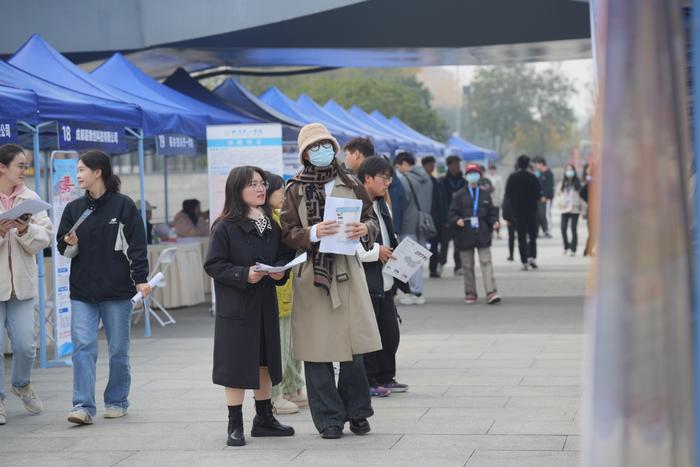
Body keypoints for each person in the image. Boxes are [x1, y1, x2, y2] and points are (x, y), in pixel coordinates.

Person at [280, 123, 381, 440]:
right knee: (317, 350)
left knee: (354, 347)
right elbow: (286, 233)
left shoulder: (351, 181)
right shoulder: (294, 188)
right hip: (313, 274)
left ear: (334, 148)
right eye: (313, 147)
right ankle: (328, 419)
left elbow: (371, 217)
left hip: (348, 270)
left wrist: (365, 230)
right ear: (304, 154)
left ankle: (358, 412)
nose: (320, 151)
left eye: (324, 145)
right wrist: (312, 233)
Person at [57, 150, 151, 425]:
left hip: (117, 290)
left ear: (98, 171)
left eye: (82, 170)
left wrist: (140, 278)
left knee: (118, 349)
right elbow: (64, 248)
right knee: (83, 346)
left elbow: (137, 246)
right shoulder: (74, 209)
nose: (78, 175)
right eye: (77, 171)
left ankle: (117, 399)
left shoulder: (124, 206)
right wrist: (70, 241)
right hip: (83, 290)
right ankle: (83, 405)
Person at [204, 166, 295, 447]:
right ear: (237, 190)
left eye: (262, 183)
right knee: (236, 365)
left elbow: (283, 255)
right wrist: (244, 275)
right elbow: (213, 265)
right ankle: (235, 423)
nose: (260, 189)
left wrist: (281, 271)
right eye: (253, 184)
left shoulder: (271, 223)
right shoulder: (225, 226)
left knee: (264, 361)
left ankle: (264, 418)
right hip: (237, 307)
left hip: (265, 303)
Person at [0, 144, 52, 425]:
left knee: (25, 346)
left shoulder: (31, 198)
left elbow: (45, 237)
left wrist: (24, 229)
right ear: (2, 167)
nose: (24, 170)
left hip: (22, 286)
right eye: (20, 165)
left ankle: (21, 383)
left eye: (26, 165)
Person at [356, 157, 410, 398]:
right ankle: (368, 380)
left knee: (389, 331)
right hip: (368, 279)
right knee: (371, 333)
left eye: (389, 178)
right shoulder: (356, 204)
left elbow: (391, 234)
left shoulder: (382, 204)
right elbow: (350, 244)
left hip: (387, 278)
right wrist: (374, 252)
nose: (388, 183)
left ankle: (387, 376)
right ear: (367, 178)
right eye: (384, 178)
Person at [265, 173, 307, 415]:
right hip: (276, 292)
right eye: (279, 190)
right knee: (279, 348)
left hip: (290, 291)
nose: (283, 195)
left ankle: (293, 388)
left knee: (293, 347)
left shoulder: (281, 217)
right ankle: (275, 395)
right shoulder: (266, 220)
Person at [448, 164, 501, 305]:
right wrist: (457, 220)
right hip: (465, 234)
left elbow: (491, 212)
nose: (473, 176)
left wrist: (495, 221)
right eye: (470, 173)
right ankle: (470, 292)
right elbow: (452, 213)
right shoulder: (459, 195)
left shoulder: (484, 194)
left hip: (482, 233)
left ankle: (491, 292)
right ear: (466, 176)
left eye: (475, 173)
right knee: (467, 265)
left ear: (480, 176)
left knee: (486, 262)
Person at [394, 152, 433, 305]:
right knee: (418, 258)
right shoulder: (427, 179)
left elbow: (403, 203)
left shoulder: (405, 180)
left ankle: (415, 292)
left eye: (398, 166)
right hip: (423, 222)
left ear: (404, 163)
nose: (398, 169)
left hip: (407, 223)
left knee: (410, 259)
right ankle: (417, 290)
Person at [505, 155, 542, 271]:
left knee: (521, 236)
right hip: (531, 211)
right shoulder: (533, 177)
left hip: (517, 212)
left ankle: (524, 261)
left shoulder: (512, 178)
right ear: (528, 164)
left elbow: (508, 195)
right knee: (532, 236)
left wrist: (508, 213)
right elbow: (538, 195)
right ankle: (532, 257)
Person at [438, 155, 466, 275]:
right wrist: (443, 218)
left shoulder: (464, 182)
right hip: (446, 217)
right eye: (454, 164)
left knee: (459, 243)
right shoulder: (442, 181)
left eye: (458, 164)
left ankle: (458, 266)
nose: (457, 166)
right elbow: (440, 201)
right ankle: (441, 263)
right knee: (444, 244)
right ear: (449, 166)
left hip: (460, 216)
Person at [421, 156, 446, 278]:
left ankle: (433, 269)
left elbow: (440, 201)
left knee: (435, 245)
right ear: (424, 165)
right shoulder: (420, 181)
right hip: (423, 218)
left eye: (433, 165)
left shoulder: (435, 181)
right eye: (430, 165)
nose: (432, 167)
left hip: (435, 218)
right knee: (420, 244)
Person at [557, 164, 584, 256]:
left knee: (573, 228)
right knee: (563, 228)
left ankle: (573, 249)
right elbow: (558, 194)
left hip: (574, 208)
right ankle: (566, 246)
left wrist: (582, 209)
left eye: (571, 170)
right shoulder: (562, 183)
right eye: (567, 170)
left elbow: (582, 197)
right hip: (564, 208)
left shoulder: (578, 183)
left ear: (574, 171)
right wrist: (560, 203)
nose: (569, 171)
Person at [533, 156, 554, 238]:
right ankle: (538, 231)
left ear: (541, 164)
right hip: (538, 198)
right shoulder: (538, 173)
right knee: (538, 214)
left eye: (537, 164)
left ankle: (547, 230)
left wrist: (545, 196)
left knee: (545, 214)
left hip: (546, 198)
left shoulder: (549, 173)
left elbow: (550, 186)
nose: (536, 166)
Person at [486, 162, 504, 239]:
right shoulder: (486, 178)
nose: (492, 171)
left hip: (496, 201)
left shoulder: (499, 178)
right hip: (488, 201)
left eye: (493, 170)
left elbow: (502, 189)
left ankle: (498, 232)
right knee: (488, 217)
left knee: (496, 217)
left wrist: (501, 199)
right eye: (491, 170)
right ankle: (490, 232)